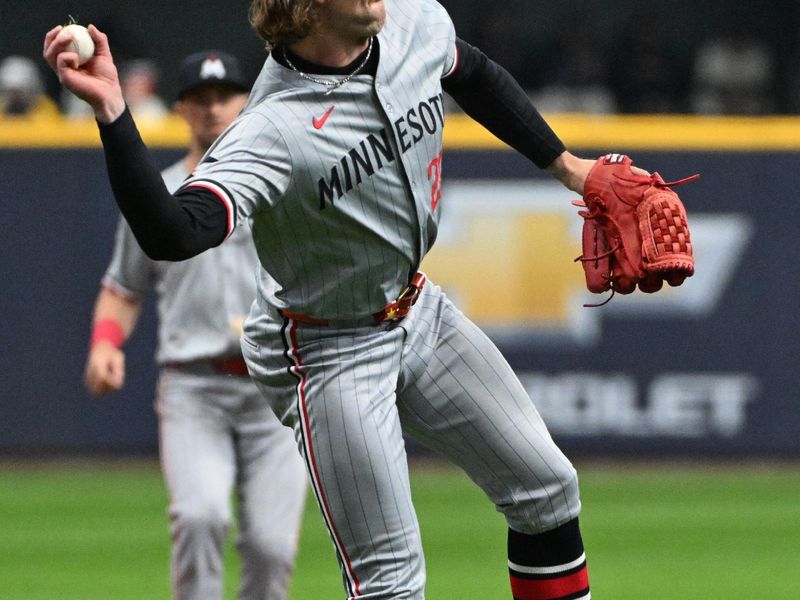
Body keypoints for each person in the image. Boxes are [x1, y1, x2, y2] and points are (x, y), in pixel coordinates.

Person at [45, 1, 621, 597]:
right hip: (326, 345)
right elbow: (172, 233)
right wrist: (113, 111)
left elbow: (469, 71)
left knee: (547, 489)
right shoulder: (270, 127)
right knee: (390, 581)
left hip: (418, 309)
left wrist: (572, 170)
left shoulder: (413, 22)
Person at [81, 50, 307, 600]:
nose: (213, 109)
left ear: (246, 102)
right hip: (194, 385)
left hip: (276, 387)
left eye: (225, 96)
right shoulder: (154, 196)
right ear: (181, 109)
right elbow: (123, 288)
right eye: (200, 99)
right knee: (200, 516)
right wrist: (106, 343)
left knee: (272, 546)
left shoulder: (282, 183)